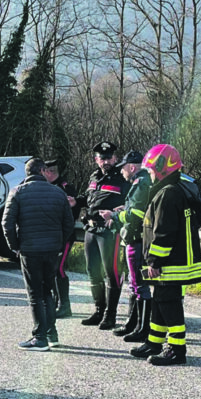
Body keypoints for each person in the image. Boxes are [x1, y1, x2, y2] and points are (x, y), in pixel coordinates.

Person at [130, 143, 201, 366]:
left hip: (171, 262)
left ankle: (176, 349)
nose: (150, 174)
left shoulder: (168, 193)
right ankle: (154, 342)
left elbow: (163, 232)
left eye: (151, 170)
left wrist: (154, 260)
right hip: (173, 260)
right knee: (160, 301)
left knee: (169, 303)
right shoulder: (173, 189)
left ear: (163, 167)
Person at [3, 158, 75, 350]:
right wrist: (59, 242)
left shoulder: (17, 192)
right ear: (43, 171)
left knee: (35, 294)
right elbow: (68, 222)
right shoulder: (58, 192)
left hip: (30, 249)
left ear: (27, 173)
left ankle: (39, 336)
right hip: (52, 249)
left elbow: (7, 224)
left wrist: (15, 246)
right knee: (48, 292)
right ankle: (52, 333)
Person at [75, 141, 130, 329]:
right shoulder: (94, 176)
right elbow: (89, 198)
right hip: (91, 229)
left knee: (111, 272)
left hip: (109, 231)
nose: (105, 161)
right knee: (92, 271)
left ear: (115, 158)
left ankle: (110, 315)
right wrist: (75, 201)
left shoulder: (122, 178)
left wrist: (118, 214)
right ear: (96, 159)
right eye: (102, 158)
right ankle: (99, 311)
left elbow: (131, 202)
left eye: (109, 158)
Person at [99, 150, 152, 342]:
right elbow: (136, 210)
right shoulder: (142, 182)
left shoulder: (140, 183)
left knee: (139, 285)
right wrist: (125, 209)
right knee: (134, 284)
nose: (122, 172)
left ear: (132, 167)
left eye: (123, 168)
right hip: (136, 240)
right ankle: (134, 323)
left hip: (137, 240)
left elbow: (135, 216)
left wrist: (113, 215)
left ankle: (142, 329)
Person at [43, 159, 79, 318]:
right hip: (51, 235)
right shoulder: (46, 187)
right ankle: (57, 301)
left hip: (64, 235)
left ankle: (65, 305)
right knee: (51, 269)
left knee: (59, 268)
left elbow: (73, 212)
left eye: (44, 172)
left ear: (51, 172)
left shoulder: (65, 188)